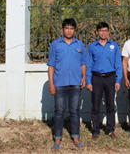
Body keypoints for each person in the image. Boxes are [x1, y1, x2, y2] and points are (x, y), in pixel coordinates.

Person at [47, 18, 86, 151]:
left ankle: (76, 137)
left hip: (75, 83)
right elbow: (51, 65)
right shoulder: (55, 44)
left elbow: (83, 63)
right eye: (67, 28)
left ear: (74, 30)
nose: (69, 31)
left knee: (75, 111)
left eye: (72, 28)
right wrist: (51, 84)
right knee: (59, 112)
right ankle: (57, 139)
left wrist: (84, 77)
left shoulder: (79, 45)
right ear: (63, 29)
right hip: (59, 83)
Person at [86, 22, 122, 141]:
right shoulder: (92, 47)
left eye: (105, 30)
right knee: (95, 105)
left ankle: (111, 130)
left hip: (110, 78)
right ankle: (95, 131)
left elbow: (118, 64)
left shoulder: (114, 46)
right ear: (97, 32)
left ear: (108, 32)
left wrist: (118, 80)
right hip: (96, 78)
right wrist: (88, 81)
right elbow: (89, 65)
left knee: (110, 105)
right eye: (101, 30)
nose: (103, 33)